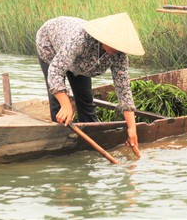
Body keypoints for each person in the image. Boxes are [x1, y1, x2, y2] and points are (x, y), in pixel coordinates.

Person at [35, 12, 144, 153]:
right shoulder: (81, 39)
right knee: (59, 106)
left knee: (86, 101)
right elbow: (55, 70)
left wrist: (132, 128)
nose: (116, 47)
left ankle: (89, 148)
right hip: (51, 44)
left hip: (80, 65)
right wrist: (66, 104)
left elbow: (123, 89)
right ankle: (60, 147)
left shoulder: (119, 55)